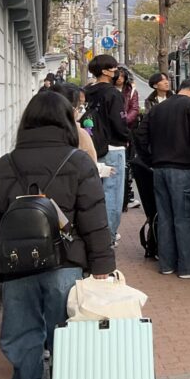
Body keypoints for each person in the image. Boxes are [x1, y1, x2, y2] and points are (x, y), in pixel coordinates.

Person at [0, 92, 115, 379]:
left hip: (16, 266)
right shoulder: (78, 162)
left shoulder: (5, 164)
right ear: (67, 122)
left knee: (22, 335)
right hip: (64, 264)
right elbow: (94, 219)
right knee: (64, 335)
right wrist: (102, 266)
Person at [136, 77, 190, 278]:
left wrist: (150, 159)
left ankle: (166, 264)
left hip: (159, 168)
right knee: (186, 217)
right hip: (185, 167)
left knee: (165, 217)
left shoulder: (157, 108)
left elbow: (140, 135)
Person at [83, 54, 130, 244]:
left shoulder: (86, 91)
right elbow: (119, 123)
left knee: (93, 194)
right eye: (114, 68)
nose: (116, 71)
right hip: (113, 148)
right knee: (112, 194)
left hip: (90, 145)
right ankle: (108, 237)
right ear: (105, 71)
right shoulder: (112, 93)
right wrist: (127, 137)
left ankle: (93, 235)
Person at [114, 66, 141, 210]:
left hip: (127, 130)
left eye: (122, 76)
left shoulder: (131, 91)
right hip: (112, 131)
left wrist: (123, 121)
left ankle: (127, 195)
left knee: (127, 163)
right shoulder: (109, 90)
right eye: (117, 75)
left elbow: (134, 109)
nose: (119, 78)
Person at [49, 82, 97, 162]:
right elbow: (91, 164)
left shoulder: (33, 132)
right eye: (79, 106)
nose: (81, 110)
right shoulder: (79, 134)